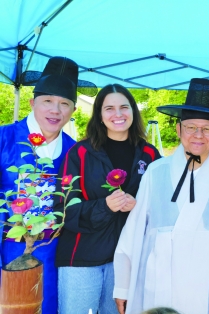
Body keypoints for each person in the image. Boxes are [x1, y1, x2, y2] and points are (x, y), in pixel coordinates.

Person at [113, 78, 209, 314]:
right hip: (157, 279)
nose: (198, 135)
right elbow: (134, 231)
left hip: (206, 283)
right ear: (178, 129)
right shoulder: (155, 171)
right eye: (191, 127)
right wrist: (123, 284)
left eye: (207, 128)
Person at [54, 84, 161, 314]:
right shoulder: (80, 153)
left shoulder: (150, 155)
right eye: (109, 108)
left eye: (124, 107)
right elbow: (63, 210)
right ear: (100, 115)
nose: (118, 114)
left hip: (127, 260)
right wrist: (105, 206)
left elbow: (165, 205)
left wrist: (139, 206)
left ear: (133, 110)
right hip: (81, 259)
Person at [0, 56, 94, 314]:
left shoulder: (76, 153)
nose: (55, 110)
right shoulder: (4, 139)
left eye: (64, 103)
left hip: (52, 253)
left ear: (73, 111)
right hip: (6, 249)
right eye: (48, 101)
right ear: (32, 103)